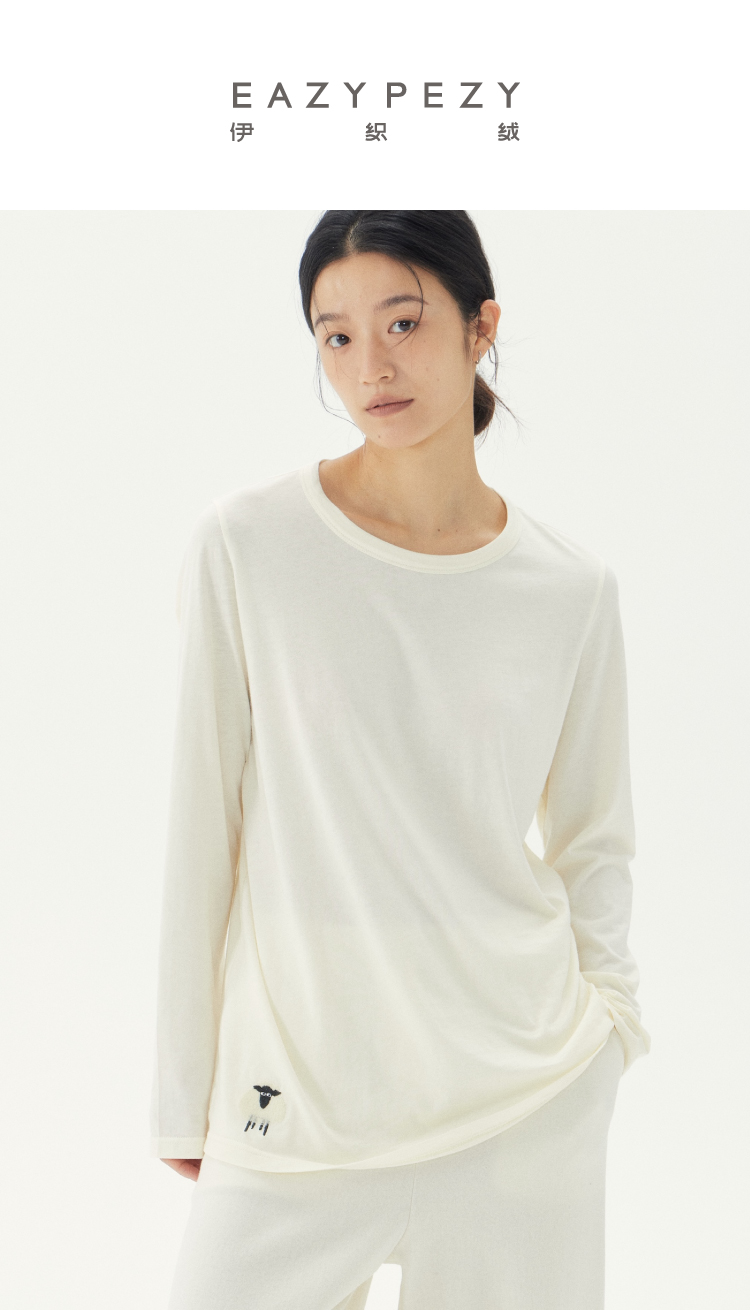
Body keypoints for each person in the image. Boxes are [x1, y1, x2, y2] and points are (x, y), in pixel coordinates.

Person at [151, 210, 651, 1310]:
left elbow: (595, 842)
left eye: (403, 321)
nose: (369, 365)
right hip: (297, 1105)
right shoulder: (250, 546)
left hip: (524, 1101)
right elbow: (203, 823)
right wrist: (182, 1090)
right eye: (335, 335)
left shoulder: (570, 590)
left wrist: (607, 1038)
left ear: (482, 328)